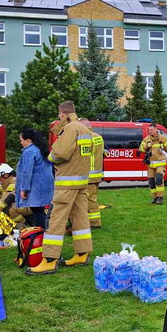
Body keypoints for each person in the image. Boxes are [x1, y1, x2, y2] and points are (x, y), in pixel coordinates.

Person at [28, 101, 93, 275]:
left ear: (63, 114)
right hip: (80, 181)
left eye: (59, 115)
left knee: (56, 220)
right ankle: (82, 254)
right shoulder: (84, 129)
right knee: (80, 218)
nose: (58, 118)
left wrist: (51, 156)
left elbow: (60, 154)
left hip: (67, 183)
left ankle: (49, 260)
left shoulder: (71, 128)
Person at [16, 129, 54, 229]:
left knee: (36, 209)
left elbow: (26, 171)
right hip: (45, 184)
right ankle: (45, 229)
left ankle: (41, 231)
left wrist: (24, 189)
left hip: (35, 185)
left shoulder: (29, 151)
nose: (21, 143)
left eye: (21, 140)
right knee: (39, 209)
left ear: (28, 140)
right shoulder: (41, 149)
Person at [139, 124, 167, 204]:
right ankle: (154, 197)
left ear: (156, 129)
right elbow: (141, 149)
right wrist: (146, 146)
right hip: (150, 164)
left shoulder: (162, 138)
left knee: (159, 179)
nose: (150, 132)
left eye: (151, 130)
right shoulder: (146, 139)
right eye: (149, 130)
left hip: (160, 164)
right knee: (151, 182)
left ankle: (160, 197)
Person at [84, 120, 105, 228]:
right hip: (97, 173)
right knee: (92, 197)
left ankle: (94, 223)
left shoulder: (86, 138)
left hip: (89, 174)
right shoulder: (98, 137)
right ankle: (93, 221)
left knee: (90, 199)